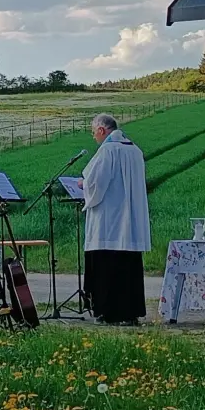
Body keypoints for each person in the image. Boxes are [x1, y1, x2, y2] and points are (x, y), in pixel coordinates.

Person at [81, 113, 151, 324]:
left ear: (102, 130)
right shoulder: (135, 150)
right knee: (128, 268)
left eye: (94, 132)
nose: (94, 137)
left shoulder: (107, 151)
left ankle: (107, 311)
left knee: (106, 267)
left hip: (108, 222)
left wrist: (82, 186)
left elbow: (96, 184)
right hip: (131, 223)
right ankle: (130, 314)